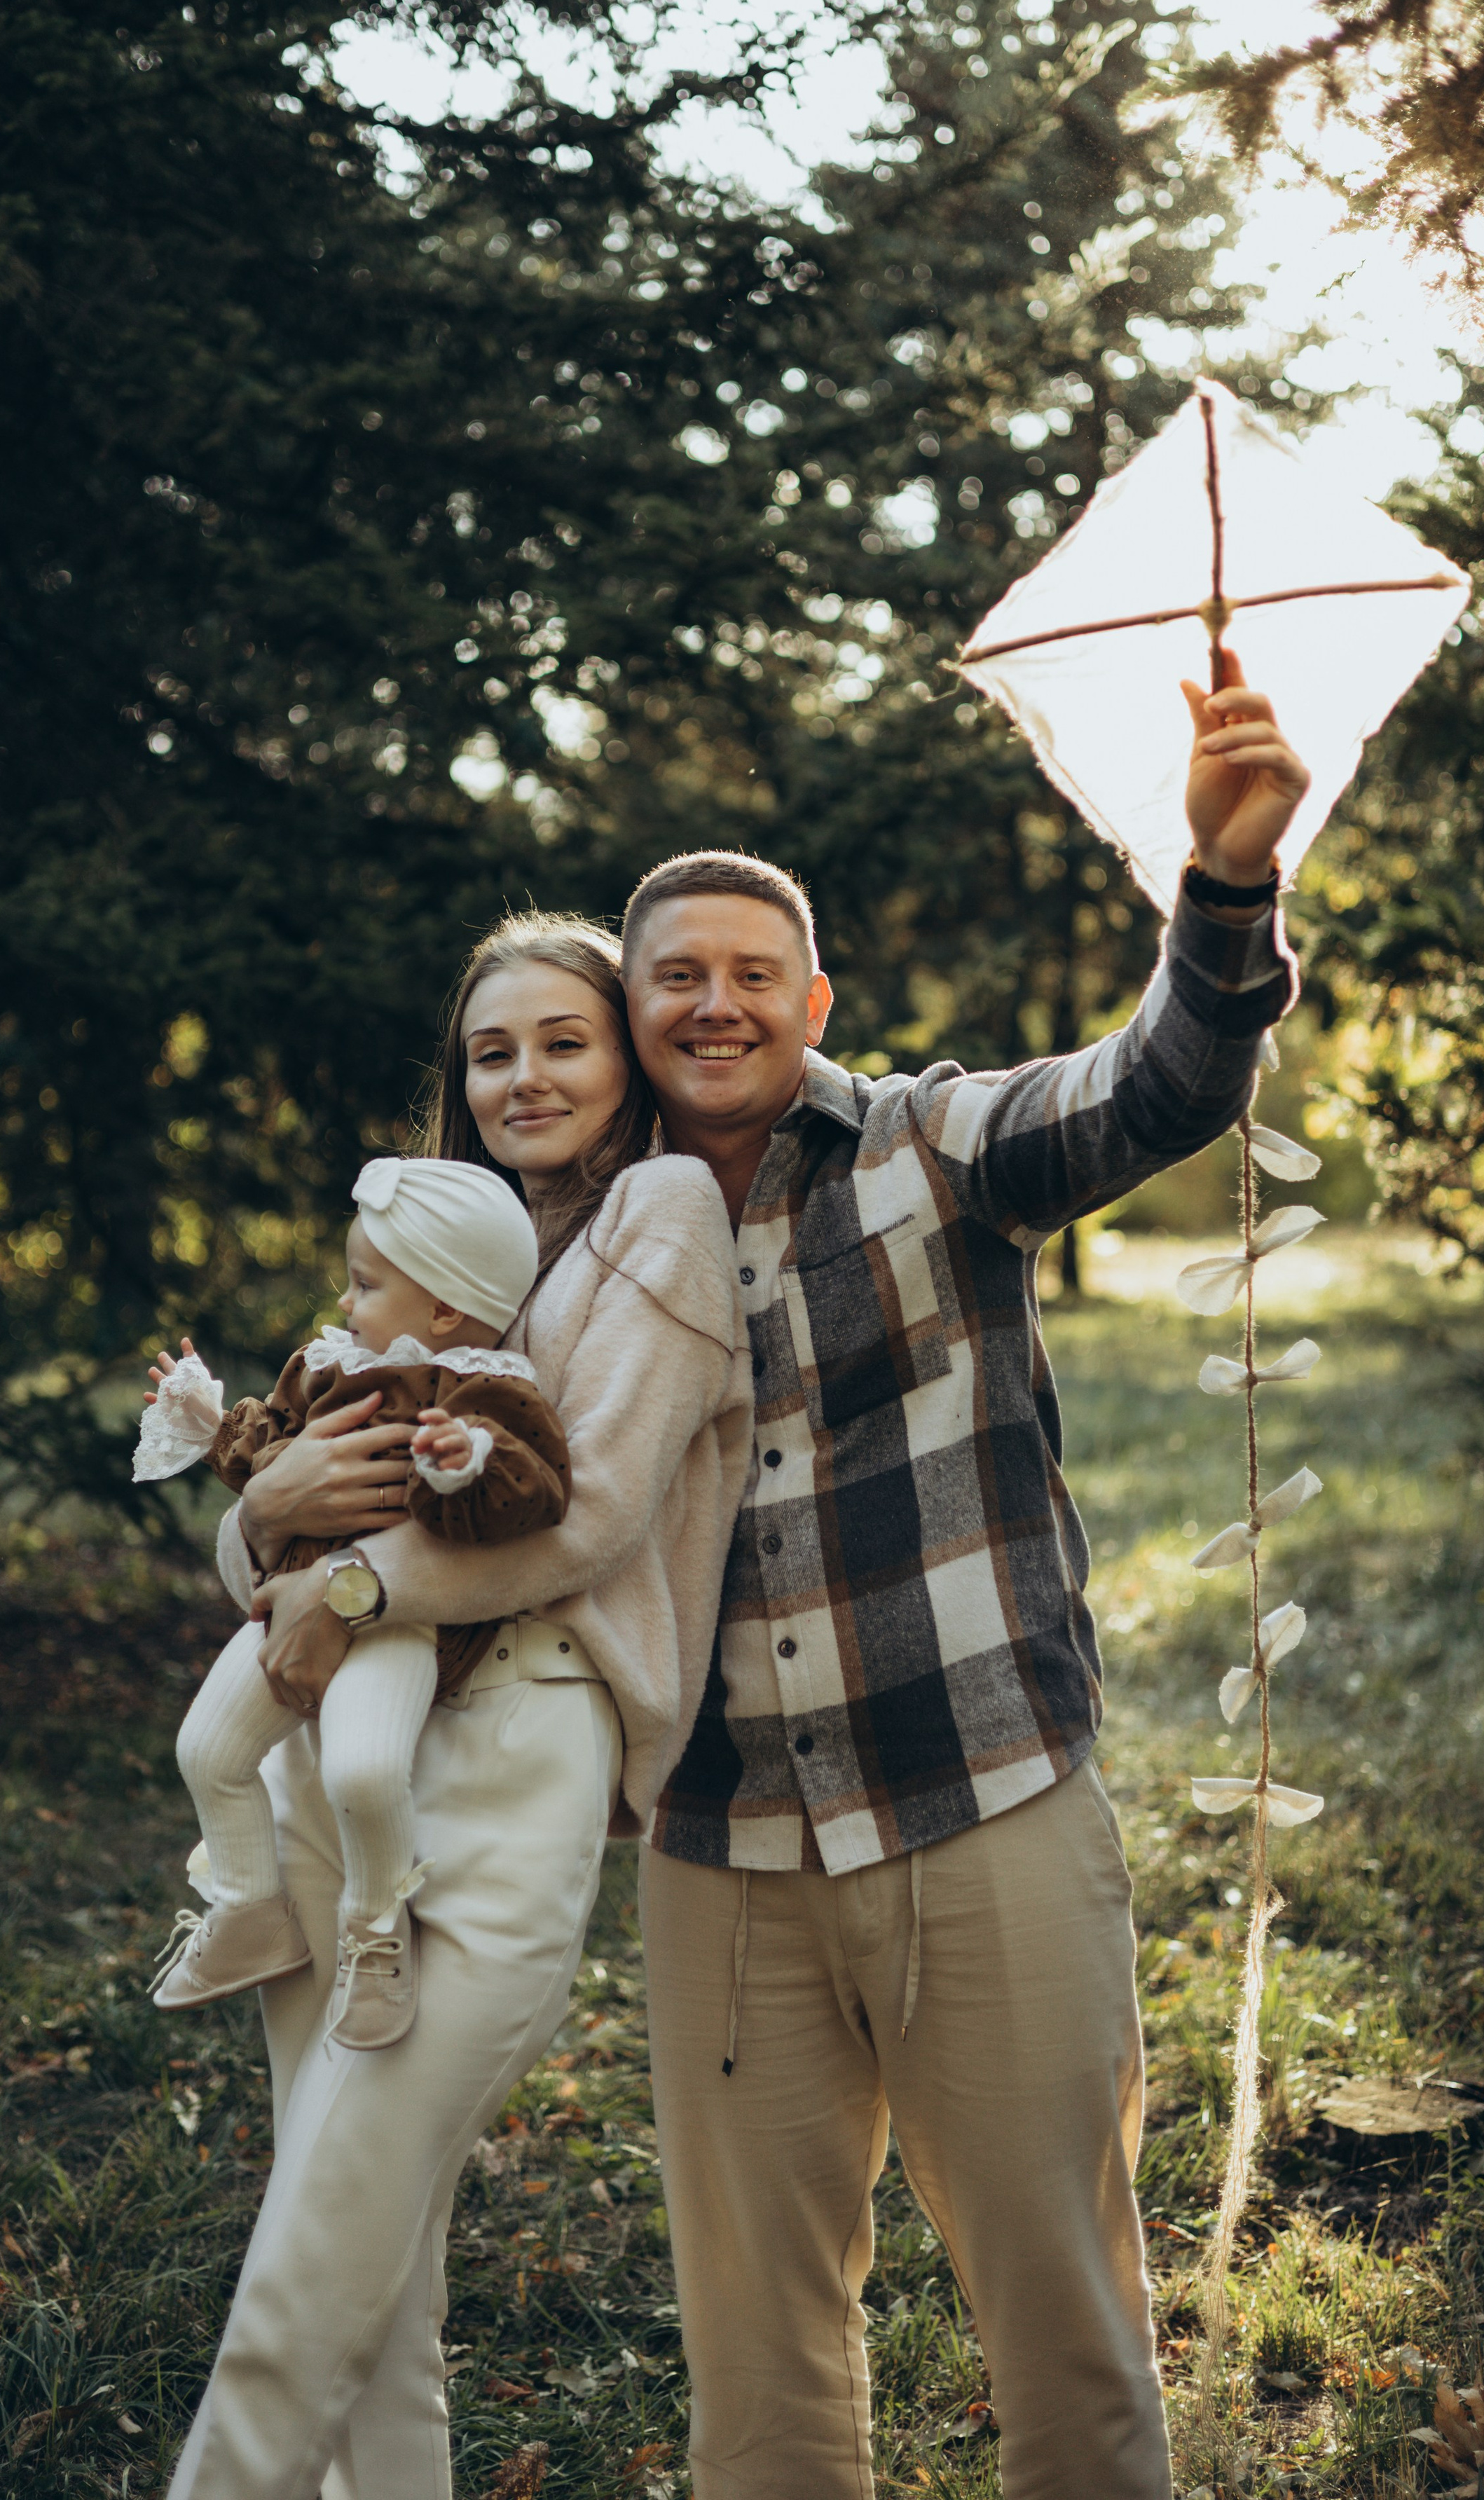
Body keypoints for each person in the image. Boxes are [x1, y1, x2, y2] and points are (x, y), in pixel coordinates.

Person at [617, 654, 1312, 2500]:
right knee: (756, 2387)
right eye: (676, 974)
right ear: (627, 1011)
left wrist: (1225, 893)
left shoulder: (936, 1146)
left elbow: (1155, 1086)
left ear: (813, 1000)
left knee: (1067, 2329)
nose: (716, 1001)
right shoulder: (582, 1243)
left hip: (982, 1813)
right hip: (719, 1859)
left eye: (754, 972)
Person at [167, 914, 751, 2500]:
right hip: (338, 1757)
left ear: (624, 1057)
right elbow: (297, 1486)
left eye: (564, 1039)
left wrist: (340, 1589)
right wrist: (261, 1508)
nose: (523, 1076)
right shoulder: (439, 1235)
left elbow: (593, 1512)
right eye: (489, 1050)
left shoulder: (662, 1208)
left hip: (516, 1755)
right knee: (374, 2267)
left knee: (316, 2252)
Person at [134, 1156, 568, 2050]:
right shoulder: (327, 1368)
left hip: (395, 1620)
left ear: (445, 1307)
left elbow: (537, 1495)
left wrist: (466, 1461)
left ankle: (377, 1928)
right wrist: (214, 1422)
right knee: (207, 1749)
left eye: (365, 1284)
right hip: (286, 1595)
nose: (344, 1300)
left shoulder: (487, 1392)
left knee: (363, 1772)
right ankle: (250, 1907)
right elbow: (269, 1457)